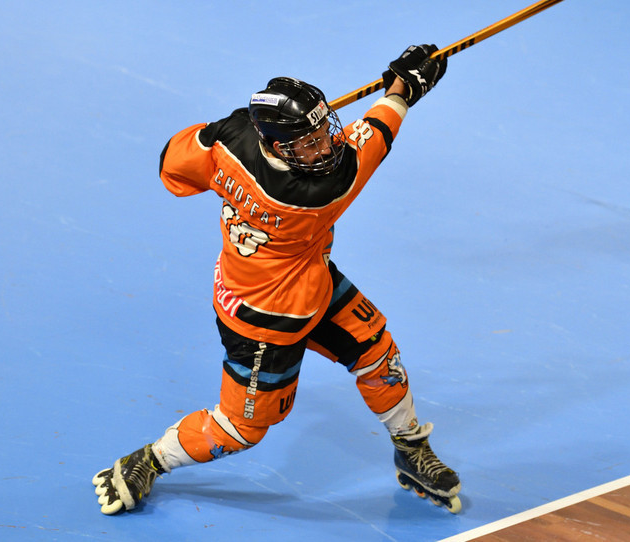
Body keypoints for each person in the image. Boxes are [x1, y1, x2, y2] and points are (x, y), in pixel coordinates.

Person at [92, 44, 462, 515]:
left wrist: (233, 139)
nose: (326, 147)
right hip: (265, 318)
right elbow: (377, 134)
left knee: (379, 354)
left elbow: (173, 164)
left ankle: (411, 449)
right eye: (309, 144)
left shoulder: (228, 139)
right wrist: (404, 89)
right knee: (241, 429)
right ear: (279, 146)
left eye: (324, 131)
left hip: (308, 281)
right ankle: (148, 461)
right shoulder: (317, 191)